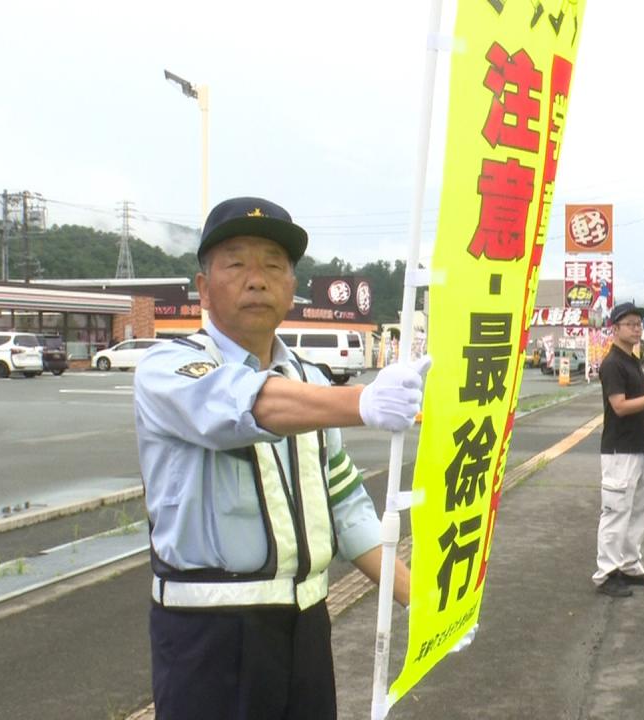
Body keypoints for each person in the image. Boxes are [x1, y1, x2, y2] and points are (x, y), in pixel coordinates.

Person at [134, 196, 430, 720]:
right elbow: (236, 406)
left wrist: (426, 604)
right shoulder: (169, 367)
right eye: (236, 262)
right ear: (203, 288)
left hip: (306, 628)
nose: (257, 278)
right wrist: (360, 401)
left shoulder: (310, 381)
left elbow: (347, 509)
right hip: (209, 636)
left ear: (292, 287)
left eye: (273, 264)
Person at [593, 301, 644, 598]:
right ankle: (606, 574)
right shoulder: (613, 364)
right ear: (615, 328)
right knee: (615, 512)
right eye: (630, 323)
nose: (637, 328)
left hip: (635, 449)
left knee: (636, 510)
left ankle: (629, 566)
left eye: (639, 324)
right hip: (618, 452)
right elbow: (620, 406)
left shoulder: (633, 361)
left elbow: (635, 409)